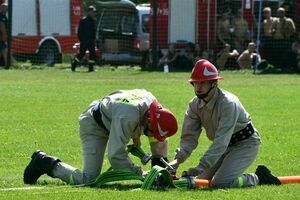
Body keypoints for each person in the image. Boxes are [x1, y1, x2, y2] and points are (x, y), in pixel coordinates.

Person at [23, 89, 178, 185]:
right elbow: (115, 155)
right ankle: (45, 163)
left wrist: (160, 168)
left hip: (109, 114)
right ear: (150, 119)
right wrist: (141, 174)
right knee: (89, 179)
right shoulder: (128, 117)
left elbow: (155, 136)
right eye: (150, 131)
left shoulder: (151, 103)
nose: (150, 135)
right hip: (94, 125)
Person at [168, 59, 281, 188]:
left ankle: (258, 177)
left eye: (202, 83)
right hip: (224, 147)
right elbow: (189, 138)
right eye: (195, 83)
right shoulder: (194, 105)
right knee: (201, 181)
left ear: (214, 83)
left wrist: (201, 166)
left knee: (220, 182)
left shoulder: (228, 103)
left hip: (245, 144)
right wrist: (176, 161)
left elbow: (221, 140)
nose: (198, 87)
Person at [71, 5, 97, 72]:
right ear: (88, 12)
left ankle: (91, 68)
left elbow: (94, 32)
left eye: (93, 12)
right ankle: (74, 64)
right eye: (92, 11)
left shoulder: (93, 21)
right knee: (81, 54)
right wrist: (81, 40)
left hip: (90, 41)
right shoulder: (83, 20)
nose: (93, 13)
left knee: (92, 54)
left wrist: (94, 40)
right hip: (85, 41)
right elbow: (79, 31)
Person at [0, 3, 8, 67]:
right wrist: (4, 35)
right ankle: (6, 65)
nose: (7, 10)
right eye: (6, 8)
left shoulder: (4, 15)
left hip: (2, 36)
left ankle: (6, 65)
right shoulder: (1, 15)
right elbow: (2, 26)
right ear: (2, 8)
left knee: (3, 50)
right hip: (1, 37)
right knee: (3, 50)